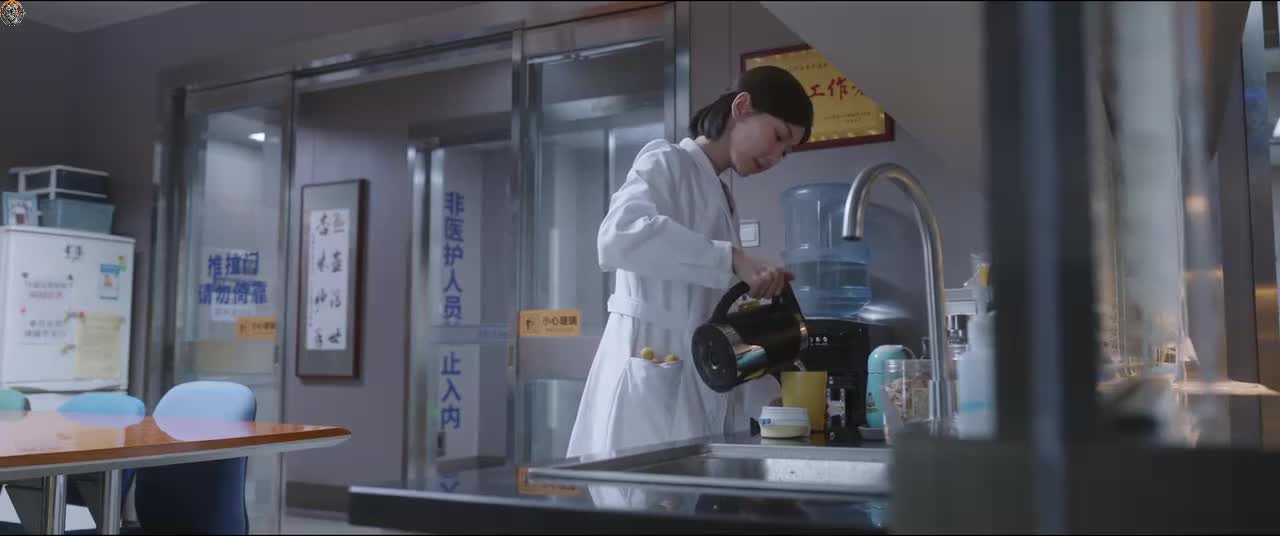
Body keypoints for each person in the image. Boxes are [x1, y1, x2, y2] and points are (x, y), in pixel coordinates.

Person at [567, 66, 814, 457]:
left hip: (695, 388)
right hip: (650, 378)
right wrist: (731, 258)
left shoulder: (721, 195)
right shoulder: (666, 161)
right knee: (639, 489)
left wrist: (769, 399)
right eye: (778, 136)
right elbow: (618, 236)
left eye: (786, 151)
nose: (775, 156)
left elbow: (717, 318)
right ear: (742, 107)